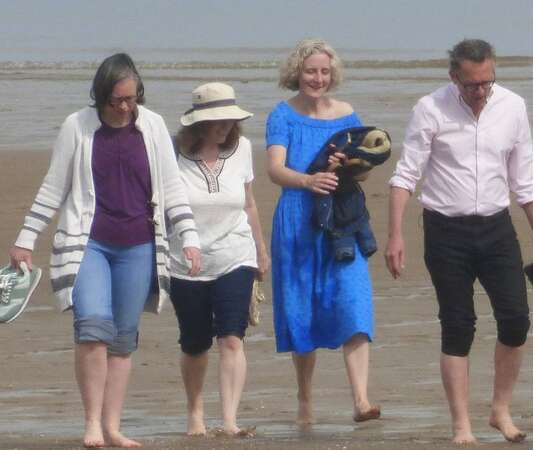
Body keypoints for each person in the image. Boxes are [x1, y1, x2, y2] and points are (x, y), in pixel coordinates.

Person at [7, 53, 201, 448]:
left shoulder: (153, 126)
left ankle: (113, 426)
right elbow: (53, 186)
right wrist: (26, 238)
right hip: (88, 243)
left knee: (123, 338)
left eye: (131, 99)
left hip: (139, 245)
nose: (125, 107)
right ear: (100, 96)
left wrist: (190, 238)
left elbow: (172, 187)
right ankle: (92, 423)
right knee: (93, 329)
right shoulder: (77, 127)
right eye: (116, 100)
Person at [385, 39, 533, 444]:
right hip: (446, 231)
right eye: (472, 85)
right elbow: (406, 175)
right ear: (454, 78)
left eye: (487, 83)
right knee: (458, 325)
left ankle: (500, 410)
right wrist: (395, 235)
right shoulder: (430, 109)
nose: (480, 92)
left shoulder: (512, 106)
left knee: (516, 319)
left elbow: (524, 177)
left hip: (497, 228)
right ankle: (461, 425)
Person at [265, 39, 380, 426]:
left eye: (324, 72)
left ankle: (361, 400)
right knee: (302, 310)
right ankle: (305, 400)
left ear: (333, 74)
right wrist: (308, 180)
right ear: (297, 72)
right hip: (297, 217)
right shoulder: (282, 115)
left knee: (353, 300)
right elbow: (275, 170)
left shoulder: (348, 115)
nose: (318, 78)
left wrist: (348, 165)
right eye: (311, 71)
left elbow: (364, 168)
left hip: (343, 221)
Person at [169, 82, 269, 436]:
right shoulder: (173, 152)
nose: (224, 126)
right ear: (196, 122)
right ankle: (195, 415)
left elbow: (249, 202)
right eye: (216, 120)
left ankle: (229, 421)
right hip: (186, 262)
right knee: (194, 342)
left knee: (231, 338)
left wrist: (260, 249)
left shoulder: (242, 148)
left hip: (235, 253)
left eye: (229, 119)